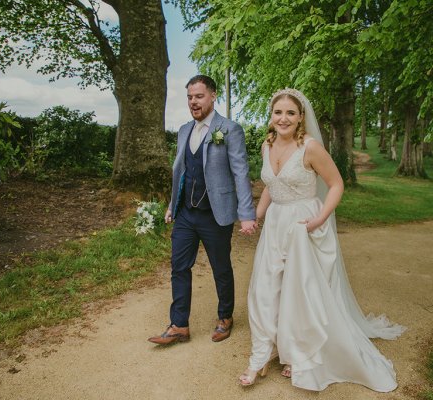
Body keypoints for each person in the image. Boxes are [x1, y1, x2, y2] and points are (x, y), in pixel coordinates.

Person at [238, 89, 405, 391]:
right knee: (264, 288)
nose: (284, 118)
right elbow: (270, 187)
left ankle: (296, 354)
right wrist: (256, 217)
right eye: (278, 112)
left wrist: (320, 218)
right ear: (271, 116)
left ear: (301, 117)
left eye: (291, 113)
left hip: (304, 224)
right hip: (276, 223)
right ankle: (261, 354)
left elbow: (336, 183)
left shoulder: (310, 148)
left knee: (299, 293)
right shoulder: (268, 144)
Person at [148, 75, 257, 345]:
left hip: (215, 213)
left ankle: (225, 317)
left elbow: (241, 173)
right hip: (187, 213)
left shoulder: (229, 129)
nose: (193, 102)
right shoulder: (184, 130)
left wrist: (246, 215)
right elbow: (182, 172)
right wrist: (173, 205)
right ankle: (179, 325)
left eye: (198, 96)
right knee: (179, 267)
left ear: (213, 96)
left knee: (220, 267)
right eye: (189, 97)